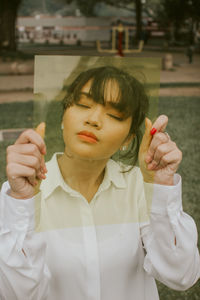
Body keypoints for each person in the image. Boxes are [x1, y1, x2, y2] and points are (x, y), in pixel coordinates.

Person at [0, 66, 199, 300]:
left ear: (127, 139)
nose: (93, 120)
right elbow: (15, 294)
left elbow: (181, 275)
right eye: (83, 105)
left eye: (114, 115)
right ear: (63, 117)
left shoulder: (139, 186)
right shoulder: (19, 196)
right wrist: (24, 203)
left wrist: (161, 186)